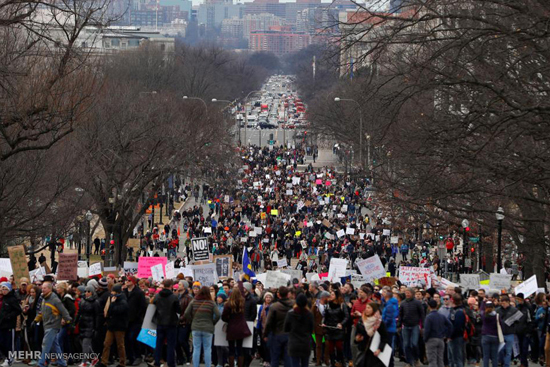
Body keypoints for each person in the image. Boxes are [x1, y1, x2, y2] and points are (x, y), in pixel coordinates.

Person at [35, 282, 71, 367]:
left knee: (46, 344)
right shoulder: (44, 299)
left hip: (53, 325)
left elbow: (64, 311)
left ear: (50, 289)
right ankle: (62, 363)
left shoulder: (55, 300)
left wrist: (69, 321)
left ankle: (41, 363)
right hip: (46, 325)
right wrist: (36, 320)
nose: (42, 289)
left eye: (45, 288)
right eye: (42, 288)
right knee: (55, 346)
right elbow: (42, 312)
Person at [184, 286, 221, 367]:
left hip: (196, 327)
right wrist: (212, 322)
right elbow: (218, 314)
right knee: (207, 349)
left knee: (196, 348)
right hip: (208, 328)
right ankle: (208, 365)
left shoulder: (194, 301)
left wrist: (192, 320)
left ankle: (196, 365)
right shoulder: (211, 303)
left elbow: (186, 313)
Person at [98, 284, 129, 367]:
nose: (112, 294)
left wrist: (112, 304)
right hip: (111, 325)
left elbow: (116, 311)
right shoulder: (114, 300)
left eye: (113, 292)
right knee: (106, 343)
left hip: (119, 326)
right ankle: (104, 361)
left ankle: (122, 363)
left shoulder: (123, 301)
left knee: (120, 345)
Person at [264, 286, 295, 367]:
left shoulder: (274, 306)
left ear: (278, 295)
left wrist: (265, 334)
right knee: (288, 358)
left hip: (277, 334)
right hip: (290, 334)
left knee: (275, 358)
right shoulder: (294, 305)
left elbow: (268, 322)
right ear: (288, 294)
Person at [152, 279, 180, 367]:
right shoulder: (174, 297)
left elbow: (154, 306)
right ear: (171, 286)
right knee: (170, 344)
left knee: (159, 343)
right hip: (171, 323)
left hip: (160, 322)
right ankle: (170, 363)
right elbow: (178, 310)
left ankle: (157, 361)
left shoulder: (157, 296)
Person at [222, 288, 252, 367]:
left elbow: (223, 317)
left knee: (231, 349)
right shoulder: (243, 303)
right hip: (241, 327)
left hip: (231, 327)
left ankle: (231, 365)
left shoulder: (228, 304)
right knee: (240, 348)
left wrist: (228, 320)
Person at [354, 302, 388, 367]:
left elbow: (384, 337)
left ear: (374, 310)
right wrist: (357, 339)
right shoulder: (361, 320)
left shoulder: (379, 322)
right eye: (366, 308)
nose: (366, 309)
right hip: (363, 349)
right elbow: (357, 335)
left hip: (374, 350)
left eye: (369, 308)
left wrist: (379, 349)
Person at [284, 294, 314, 367]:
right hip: (305, 342)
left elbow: (286, 328)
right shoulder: (309, 314)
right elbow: (311, 329)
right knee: (305, 363)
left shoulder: (290, 314)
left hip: (294, 343)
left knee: (294, 363)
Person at [398, 288, 425, 367]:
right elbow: (400, 315)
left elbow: (422, 314)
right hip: (405, 326)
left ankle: (416, 359)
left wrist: (422, 326)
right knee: (406, 345)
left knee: (414, 344)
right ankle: (409, 361)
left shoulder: (417, 303)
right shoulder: (403, 303)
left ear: (412, 294)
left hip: (415, 326)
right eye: (406, 293)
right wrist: (399, 324)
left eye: (409, 293)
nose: (407, 294)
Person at [322, 289, 349, 367]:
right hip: (329, 328)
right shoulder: (327, 305)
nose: (331, 296)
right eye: (330, 294)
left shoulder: (342, 305)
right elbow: (325, 316)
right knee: (330, 348)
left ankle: (342, 361)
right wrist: (323, 323)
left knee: (339, 347)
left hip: (338, 329)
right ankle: (332, 363)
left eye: (333, 294)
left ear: (337, 296)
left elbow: (346, 316)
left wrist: (341, 324)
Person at [423, 299, 452, 367]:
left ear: (429, 306)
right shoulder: (442, 316)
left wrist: (425, 339)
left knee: (432, 359)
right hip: (441, 339)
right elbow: (450, 325)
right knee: (440, 360)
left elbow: (427, 330)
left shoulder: (429, 317)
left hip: (431, 339)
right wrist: (447, 335)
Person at [76, 286, 100, 367]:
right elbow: (79, 313)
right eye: (86, 291)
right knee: (83, 343)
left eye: (88, 291)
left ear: (92, 292)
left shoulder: (95, 302)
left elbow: (97, 315)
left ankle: (84, 361)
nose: (86, 293)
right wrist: (75, 323)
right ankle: (93, 358)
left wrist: (96, 327)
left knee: (86, 344)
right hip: (83, 324)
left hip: (90, 325)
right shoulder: (82, 300)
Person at [0, 282, 22, 367]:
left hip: (9, 325)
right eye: (2, 289)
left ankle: (10, 359)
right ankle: (6, 357)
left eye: (5, 289)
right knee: (2, 342)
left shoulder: (12, 299)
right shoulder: (3, 298)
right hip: (2, 325)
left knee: (10, 343)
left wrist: (9, 316)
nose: (3, 291)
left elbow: (18, 310)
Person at [497, 295, 522, 367]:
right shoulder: (498, 310)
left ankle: (506, 365)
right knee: (501, 350)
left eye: (504, 303)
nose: (503, 304)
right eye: (501, 303)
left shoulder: (514, 310)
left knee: (508, 351)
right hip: (500, 333)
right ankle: (501, 362)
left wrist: (514, 326)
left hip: (510, 333)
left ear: (508, 302)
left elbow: (519, 320)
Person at [312, 291, 330, 367]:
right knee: (318, 345)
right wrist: (313, 329)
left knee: (327, 345)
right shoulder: (315, 306)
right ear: (323, 298)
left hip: (327, 328)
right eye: (327, 297)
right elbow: (312, 317)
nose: (329, 299)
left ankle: (326, 360)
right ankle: (318, 361)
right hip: (318, 328)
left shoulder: (328, 306)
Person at [448, 293, 466, 367]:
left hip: (456, 337)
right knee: (452, 358)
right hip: (454, 336)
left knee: (457, 358)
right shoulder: (455, 310)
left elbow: (457, 327)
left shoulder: (459, 312)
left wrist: (450, 336)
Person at [481, 301, 500, 367]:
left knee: (486, 355)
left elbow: (481, 309)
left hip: (485, 336)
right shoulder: (496, 315)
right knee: (494, 356)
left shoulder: (484, 315)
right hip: (494, 336)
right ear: (493, 307)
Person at [257, 292, 274, 367]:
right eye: (267, 297)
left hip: (270, 328)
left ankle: (268, 360)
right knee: (263, 345)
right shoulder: (261, 307)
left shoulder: (272, 307)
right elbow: (259, 318)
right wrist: (258, 327)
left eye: (269, 297)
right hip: (262, 328)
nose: (268, 299)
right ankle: (265, 359)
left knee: (269, 345)